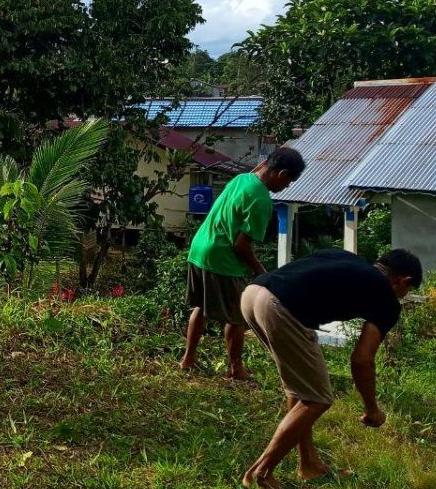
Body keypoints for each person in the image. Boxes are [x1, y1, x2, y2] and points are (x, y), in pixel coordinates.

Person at [240, 248, 422, 488]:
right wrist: (372, 409)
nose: (401, 296)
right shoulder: (386, 298)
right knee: (317, 399)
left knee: (301, 391)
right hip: (280, 307)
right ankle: (259, 473)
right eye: (406, 292)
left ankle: (309, 465)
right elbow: (362, 360)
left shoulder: (347, 259)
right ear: (403, 280)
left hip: (253, 293)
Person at [180, 146, 305, 380]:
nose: (286, 187)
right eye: (289, 182)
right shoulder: (261, 200)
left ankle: (188, 359)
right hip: (222, 258)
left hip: (200, 247)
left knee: (202, 307)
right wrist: (260, 270)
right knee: (238, 317)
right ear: (282, 174)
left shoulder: (241, 179)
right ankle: (236, 368)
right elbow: (241, 245)